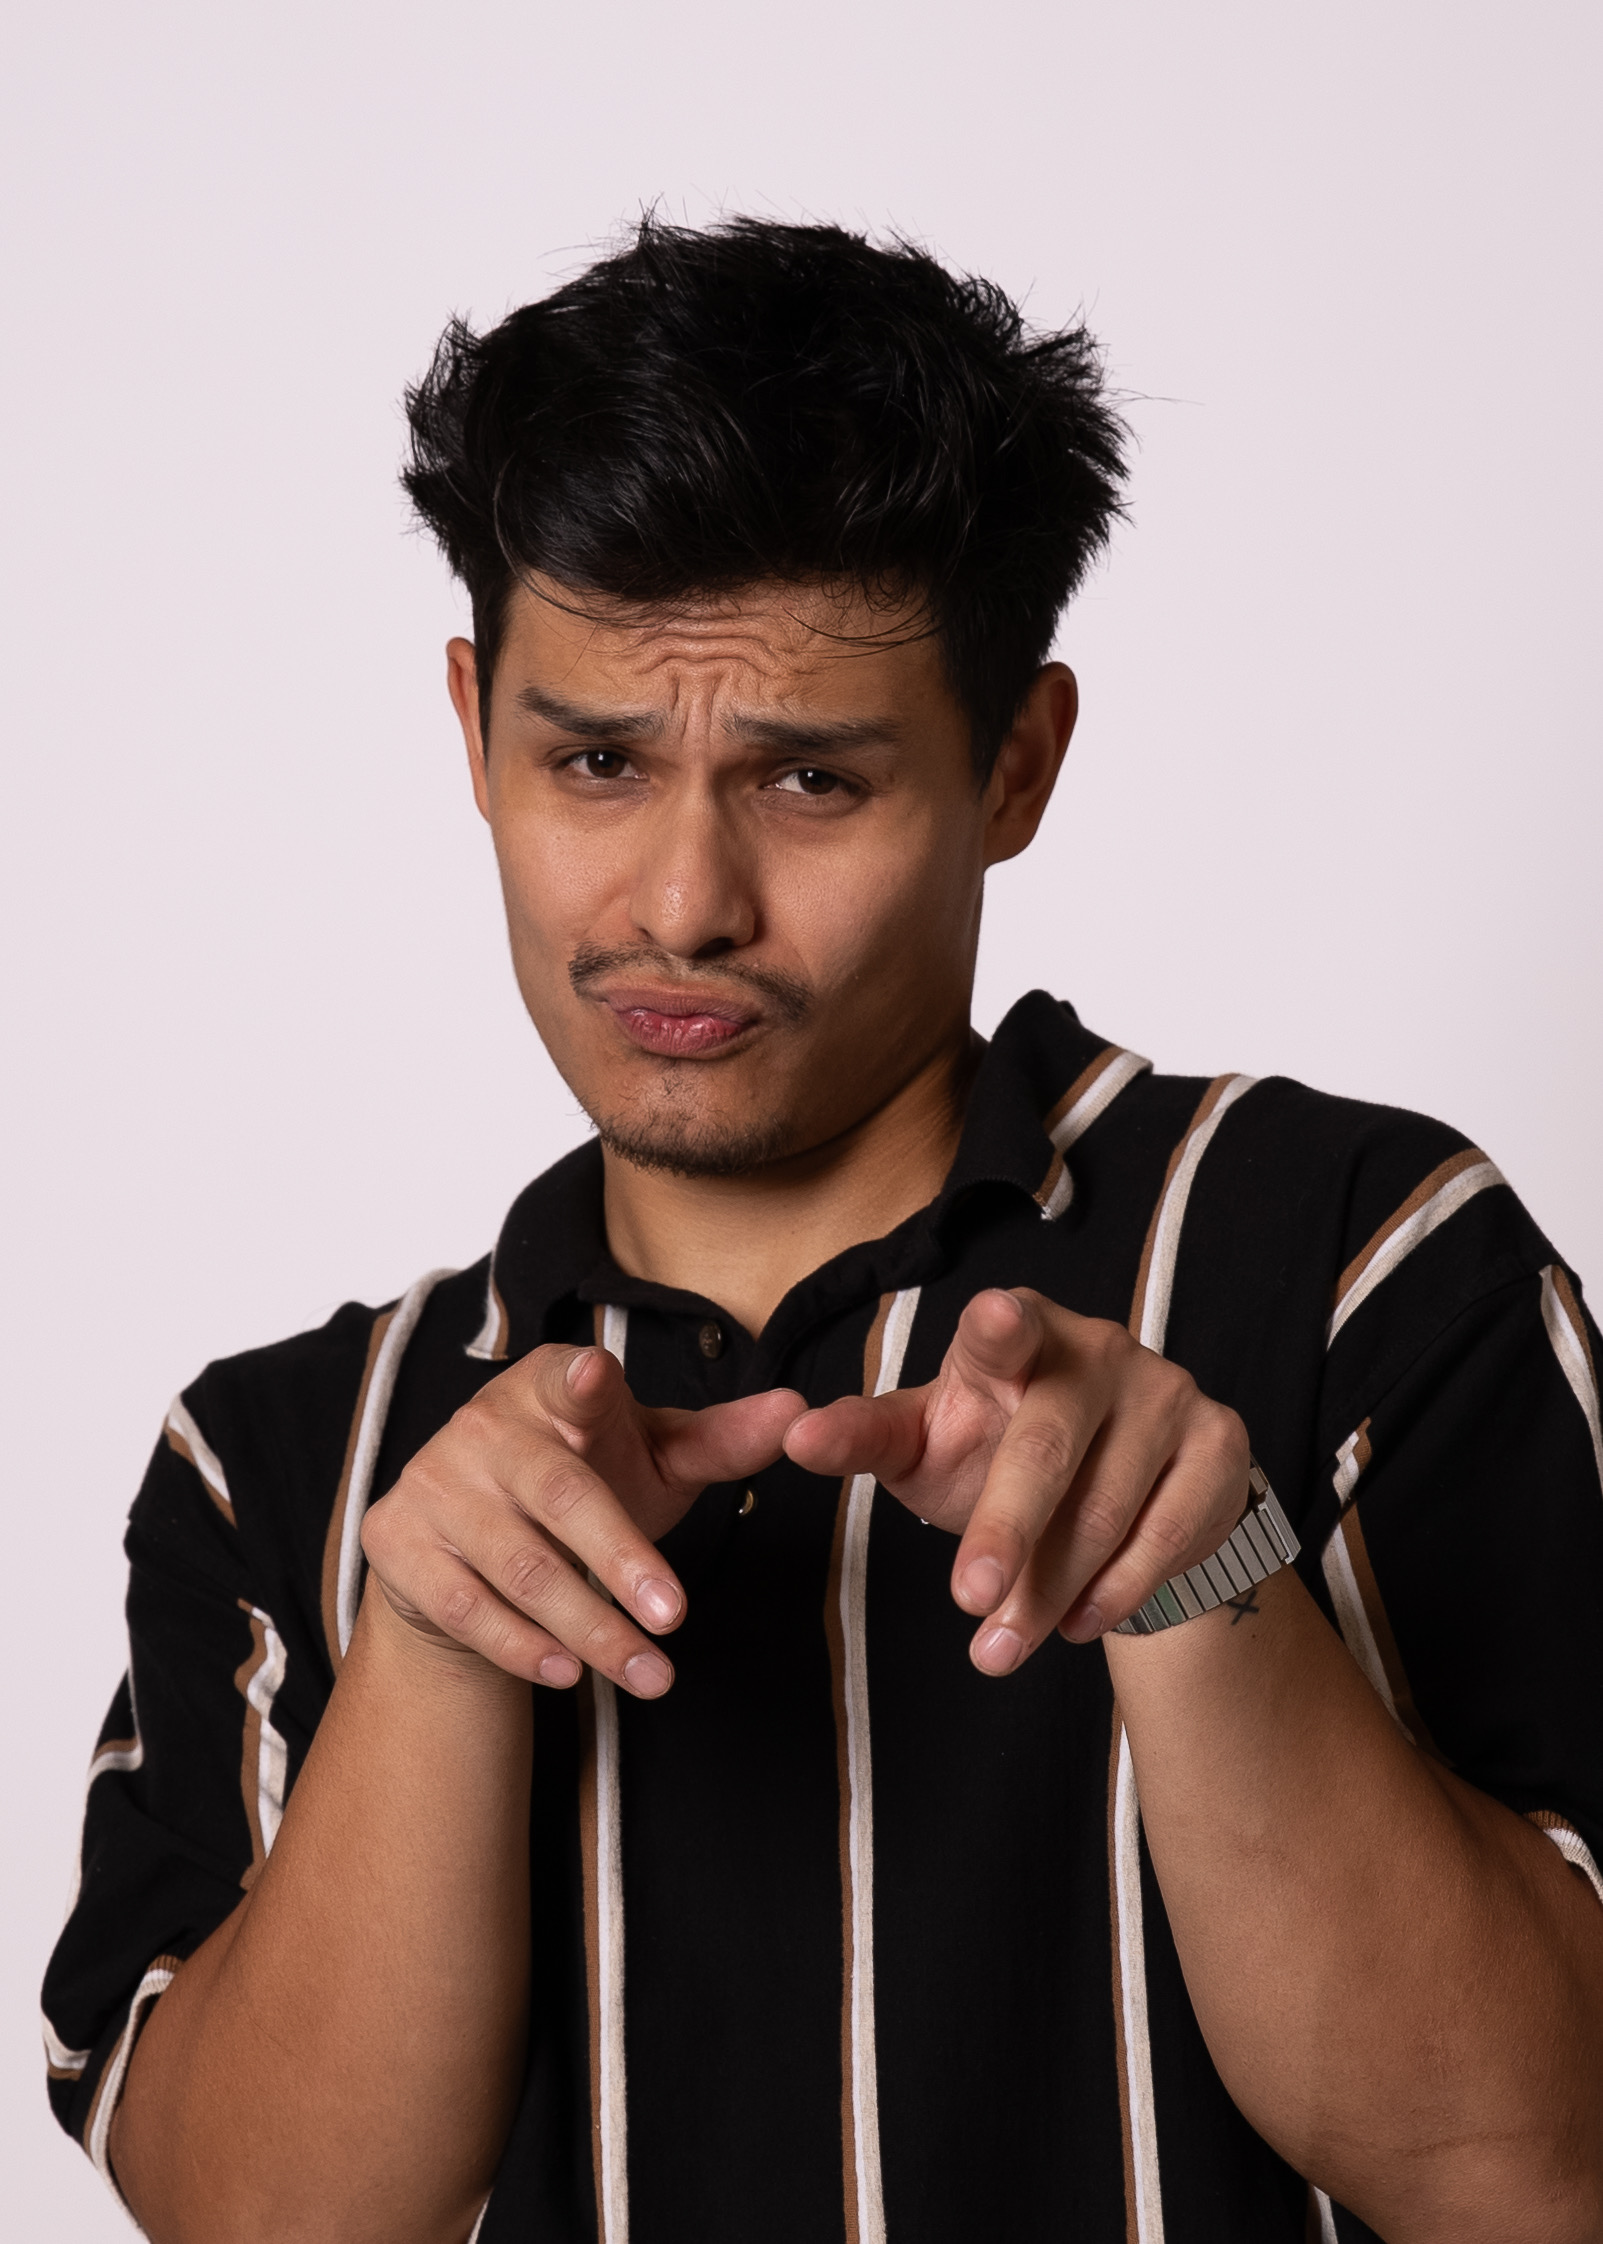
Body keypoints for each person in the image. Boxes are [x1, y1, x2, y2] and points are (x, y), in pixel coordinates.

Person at [42, 217, 1603, 2244]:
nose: (682, 902)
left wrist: (1203, 1572)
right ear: (473, 727)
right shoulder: (278, 1459)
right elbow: (261, 2222)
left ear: (1016, 763)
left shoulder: (1354, 1268)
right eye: (594, 760)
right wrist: (428, 1646)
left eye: (807, 780)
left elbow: (1543, 2173)